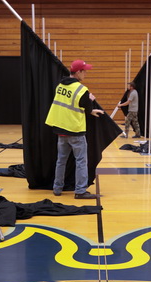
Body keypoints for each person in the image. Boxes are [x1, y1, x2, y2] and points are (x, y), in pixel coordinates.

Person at [45, 59, 105, 199]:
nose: (86, 74)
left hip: (60, 129)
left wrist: (89, 108)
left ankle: (57, 188)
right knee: (81, 161)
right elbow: (86, 107)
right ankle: (80, 191)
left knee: (61, 160)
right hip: (75, 130)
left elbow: (72, 105)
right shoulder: (82, 90)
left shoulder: (60, 85)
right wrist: (90, 99)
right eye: (85, 71)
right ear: (78, 72)